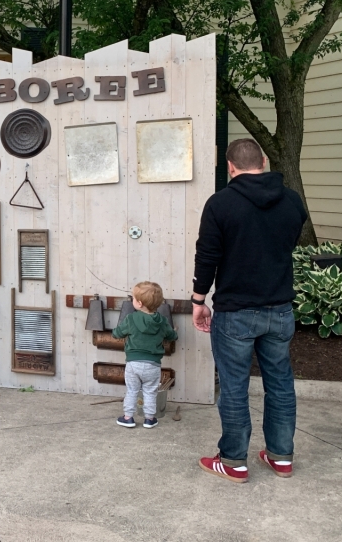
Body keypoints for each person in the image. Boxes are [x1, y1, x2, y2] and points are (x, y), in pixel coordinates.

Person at [191, 138, 308, 482]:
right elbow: (287, 240)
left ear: (230, 166)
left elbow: (207, 257)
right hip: (280, 309)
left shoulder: (220, 204)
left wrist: (198, 301)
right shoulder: (291, 201)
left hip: (236, 312)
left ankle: (233, 461)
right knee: (281, 384)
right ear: (264, 161)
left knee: (234, 387)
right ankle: (281, 457)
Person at [112, 281, 178, 429]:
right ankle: (149, 419)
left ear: (139, 303)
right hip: (152, 365)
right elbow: (172, 336)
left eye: (133, 299)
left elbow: (117, 333)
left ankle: (128, 417)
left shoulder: (130, 319)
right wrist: (174, 331)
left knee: (132, 390)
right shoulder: (162, 322)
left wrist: (115, 332)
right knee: (150, 391)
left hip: (133, 364)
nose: (132, 301)